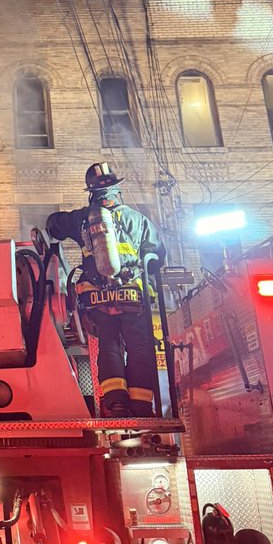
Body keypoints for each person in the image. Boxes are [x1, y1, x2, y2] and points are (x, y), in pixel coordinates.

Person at [46, 162, 165, 418]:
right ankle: (143, 404)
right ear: (116, 190)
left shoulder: (82, 218)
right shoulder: (138, 219)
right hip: (132, 296)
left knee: (109, 344)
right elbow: (157, 256)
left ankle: (116, 402)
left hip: (98, 298)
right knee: (138, 346)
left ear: (91, 192)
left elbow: (54, 225)